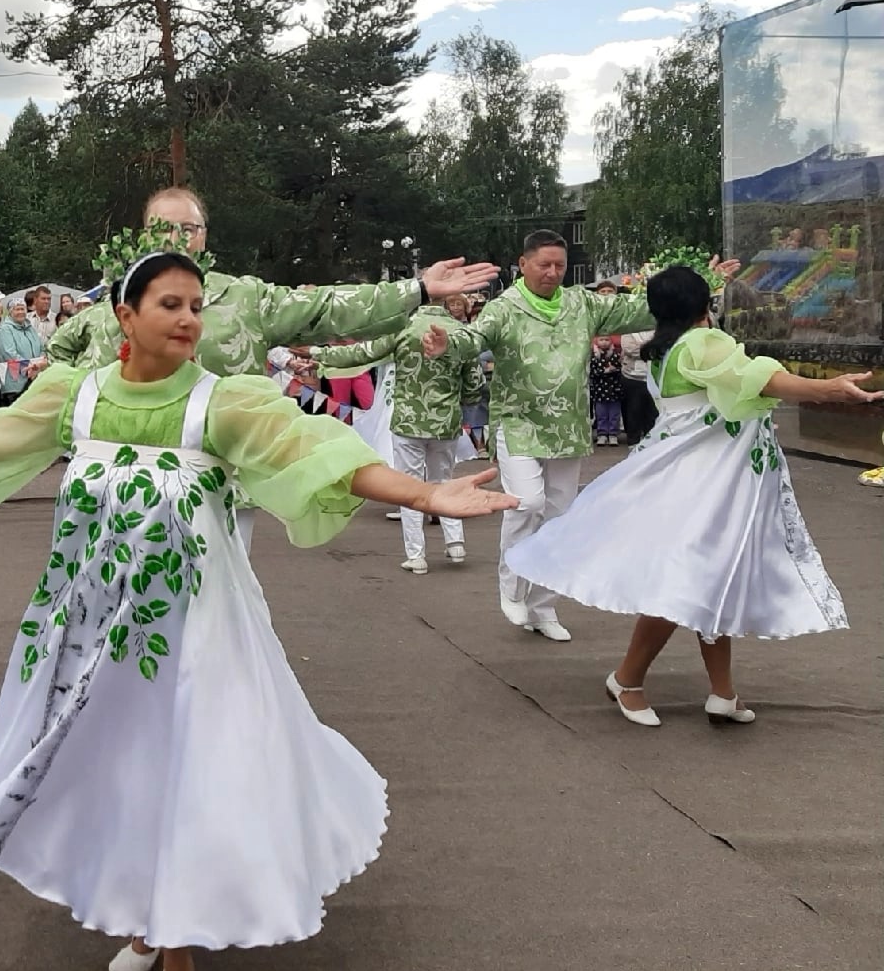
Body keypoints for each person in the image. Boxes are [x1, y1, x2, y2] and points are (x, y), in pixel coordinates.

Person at [0, 246, 515, 971]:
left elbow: (315, 450)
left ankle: (173, 930)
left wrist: (424, 495)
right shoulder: (76, 395)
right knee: (115, 763)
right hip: (87, 623)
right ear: (124, 315)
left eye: (196, 306)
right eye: (170, 305)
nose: (189, 319)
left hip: (192, 627)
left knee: (185, 762)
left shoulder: (225, 402)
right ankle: (146, 917)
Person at [502, 266, 874, 727]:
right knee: (684, 582)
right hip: (705, 485)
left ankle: (722, 692)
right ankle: (628, 679)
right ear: (704, 305)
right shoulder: (702, 343)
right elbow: (757, 378)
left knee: (709, 580)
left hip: (690, 480)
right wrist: (829, 388)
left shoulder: (665, 350)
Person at [47, 186, 498, 548]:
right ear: (144, 234)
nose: (177, 237)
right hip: (120, 486)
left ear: (205, 236)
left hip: (217, 487)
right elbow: (60, 355)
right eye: (162, 228)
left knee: (210, 614)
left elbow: (323, 306)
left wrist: (417, 289)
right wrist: (76, 419)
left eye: (189, 227)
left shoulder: (244, 298)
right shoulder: (114, 301)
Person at [423, 231, 736, 642]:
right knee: (526, 502)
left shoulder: (581, 303)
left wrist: (703, 286)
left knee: (561, 519)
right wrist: (448, 342)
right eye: (544, 265)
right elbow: (474, 338)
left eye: (559, 266)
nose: (552, 273)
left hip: (568, 425)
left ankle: (543, 606)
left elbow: (640, 308)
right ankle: (512, 585)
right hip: (519, 422)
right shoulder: (506, 308)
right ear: (524, 264)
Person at [311, 298, 484, 573]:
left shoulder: (403, 329)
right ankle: (455, 543)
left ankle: (416, 555)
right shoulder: (461, 333)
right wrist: (463, 402)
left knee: (409, 487)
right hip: (445, 421)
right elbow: (475, 382)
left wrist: (317, 355)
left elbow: (362, 353)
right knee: (444, 479)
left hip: (408, 420)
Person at [0, 299, 47, 408]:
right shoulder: (5, 329)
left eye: (22, 309)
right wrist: (30, 367)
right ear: (10, 312)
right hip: (15, 383)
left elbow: (42, 348)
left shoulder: (30, 328)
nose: (20, 312)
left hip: (35, 379)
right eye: (17, 309)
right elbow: (10, 353)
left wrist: (39, 364)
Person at [590, 336, 624, 446]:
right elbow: (592, 372)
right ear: (597, 341)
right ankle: (602, 434)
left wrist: (614, 369)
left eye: (607, 340)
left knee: (614, 414)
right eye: (601, 340)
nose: (604, 342)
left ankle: (613, 434)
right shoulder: (594, 356)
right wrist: (605, 371)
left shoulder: (615, 355)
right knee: (601, 414)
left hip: (614, 389)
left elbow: (620, 369)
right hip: (599, 390)